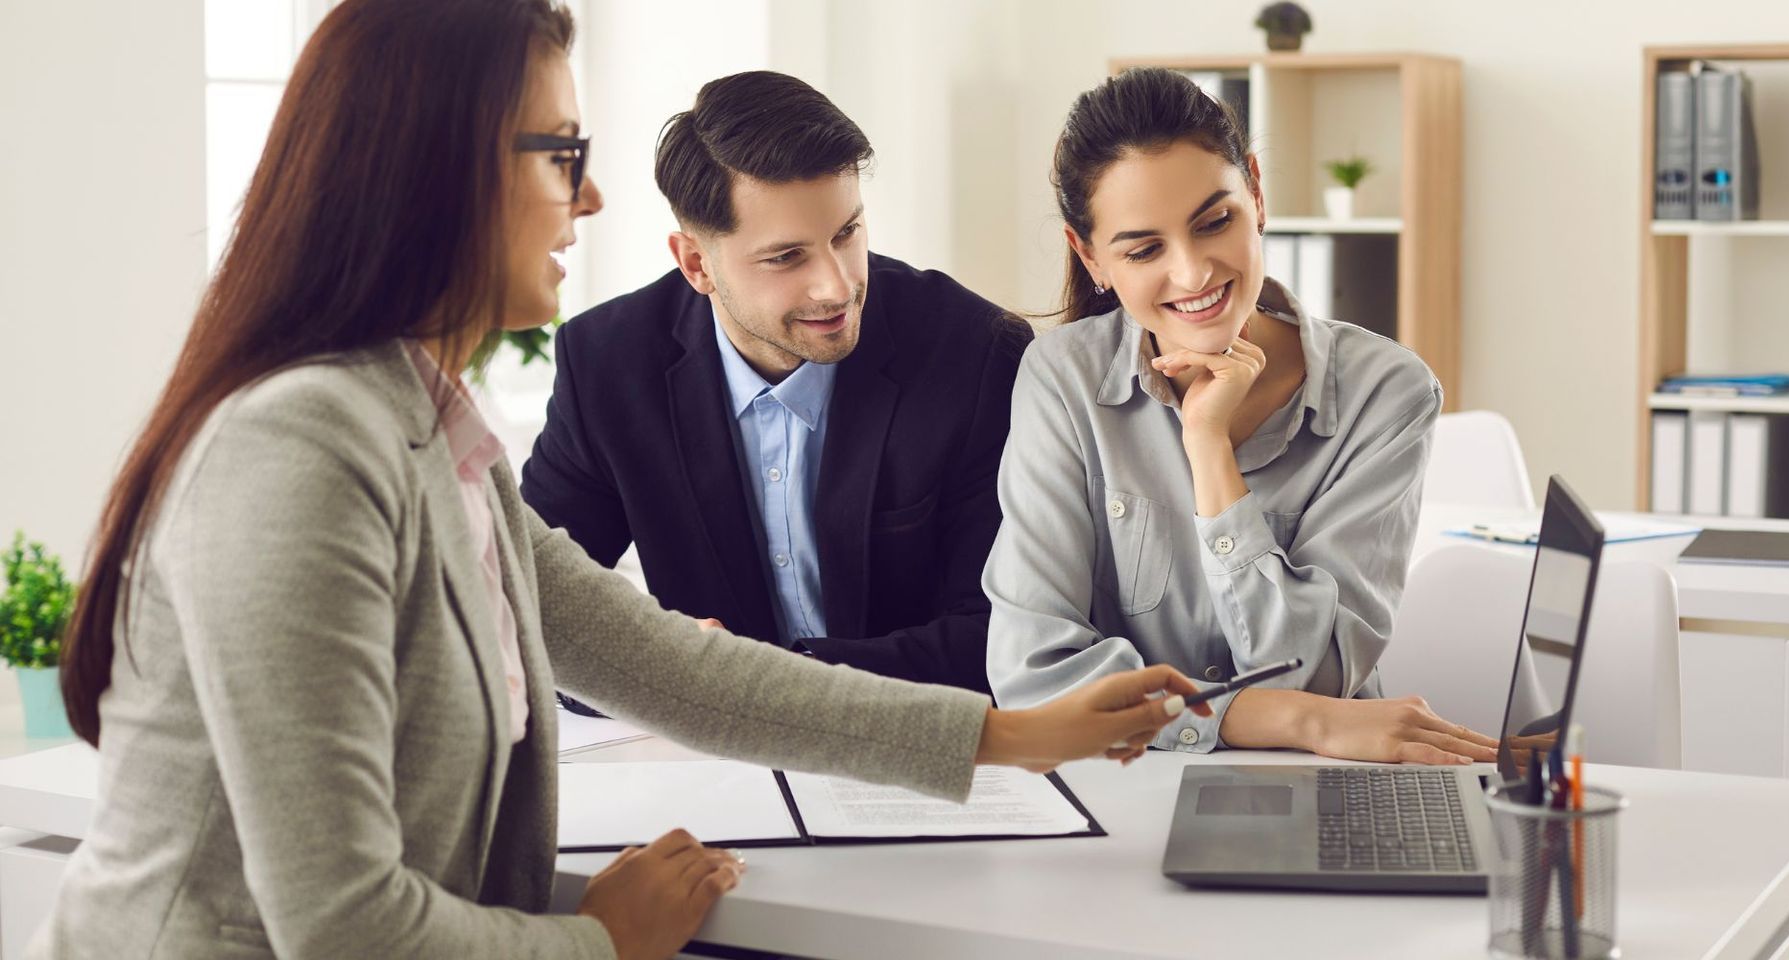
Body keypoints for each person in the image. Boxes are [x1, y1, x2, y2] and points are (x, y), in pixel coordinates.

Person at [37, 9, 1203, 958]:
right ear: (433, 175)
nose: (589, 200)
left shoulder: (427, 426)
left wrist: (1006, 737)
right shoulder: (299, 447)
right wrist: (598, 939)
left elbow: (667, 667)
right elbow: (344, 930)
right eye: (562, 155)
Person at [985, 67, 1497, 765]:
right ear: (1091, 257)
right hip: (1126, 790)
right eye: (1143, 249)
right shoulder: (1061, 380)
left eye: (1214, 222)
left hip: (1323, 783)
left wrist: (1208, 450)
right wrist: (1293, 719)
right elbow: (1034, 680)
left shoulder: (1387, 391)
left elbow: (1316, 675)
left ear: (1255, 191)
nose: (1194, 274)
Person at [521, 71, 1027, 695]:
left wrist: (755, 682)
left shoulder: (973, 350)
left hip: (922, 751)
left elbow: (1003, 636)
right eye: (787, 257)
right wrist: (655, 663)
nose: (838, 285)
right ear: (696, 263)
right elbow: (524, 610)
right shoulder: (607, 366)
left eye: (847, 233)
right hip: (714, 768)